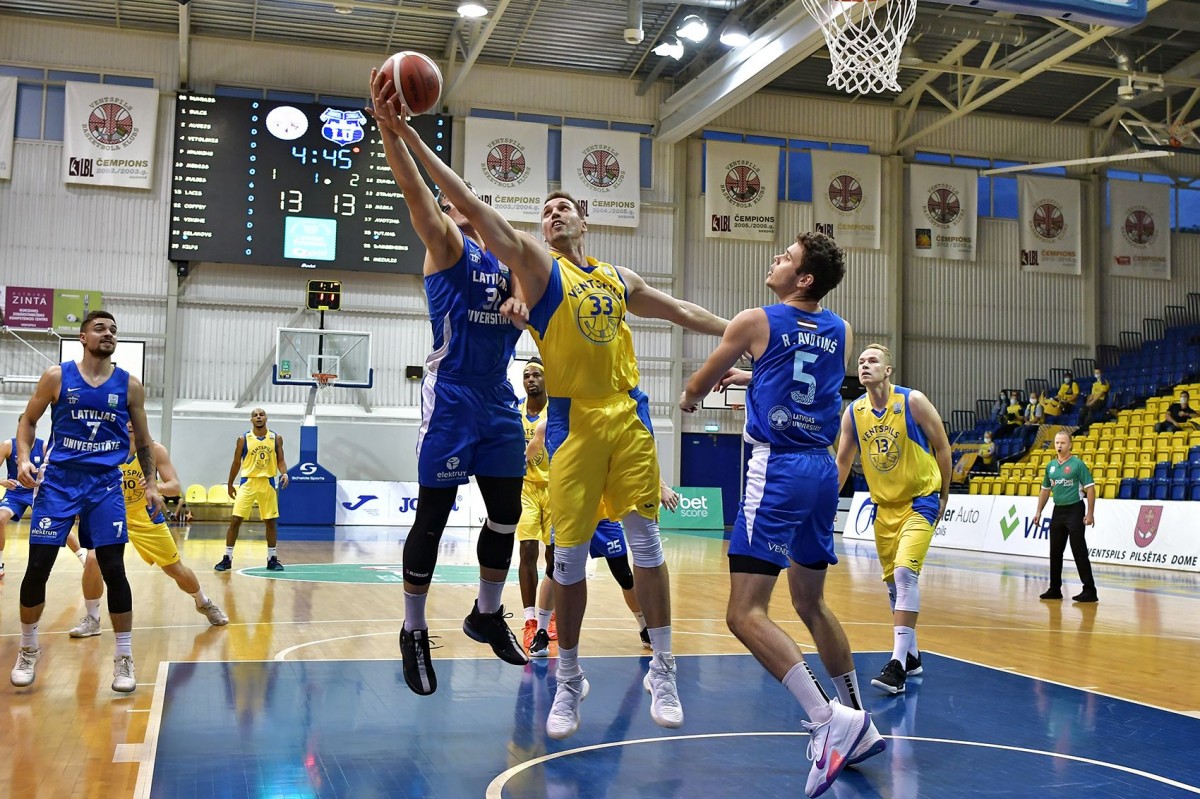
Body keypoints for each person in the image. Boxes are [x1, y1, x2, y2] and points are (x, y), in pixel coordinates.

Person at [372, 81, 728, 739]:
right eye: (546, 209)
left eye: (564, 206)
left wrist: (743, 334)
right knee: (546, 551)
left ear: (584, 220)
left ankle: (654, 665)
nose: (555, 212)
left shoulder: (605, 275)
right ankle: (539, 669)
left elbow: (679, 309)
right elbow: (462, 207)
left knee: (625, 539)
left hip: (608, 412)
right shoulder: (511, 260)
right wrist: (404, 133)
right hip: (536, 413)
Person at [681, 232, 883, 799]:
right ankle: (857, 717)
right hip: (822, 470)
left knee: (743, 613)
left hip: (777, 468)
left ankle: (827, 720)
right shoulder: (840, 330)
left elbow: (699, 381)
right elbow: (807, 380)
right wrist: (754, 377)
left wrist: (691, 397)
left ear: (804, 279)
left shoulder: (753, 321)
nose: (776, 260)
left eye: (786, 257)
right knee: (810, 603)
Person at [369, 73, 530, 698]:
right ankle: (412, 628)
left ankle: (485, 614)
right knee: (433, 516)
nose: (461, 207)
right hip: (453, 395)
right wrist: (392, 131)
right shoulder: (445, 245)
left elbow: (544, 291)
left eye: (470, 203)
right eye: (455, 203)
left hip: (498, 398)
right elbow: (416, 192)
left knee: (507, 514)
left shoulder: (512, 263)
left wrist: (522, 302)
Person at [11, 310, 162, 693]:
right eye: (99, 328)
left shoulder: (129, 385)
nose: (108, 333)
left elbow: (144, 442)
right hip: (58, 482)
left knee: (114, 568)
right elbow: (27, 421)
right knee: (38, 567)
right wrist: (25, 458)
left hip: (105, 485)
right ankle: (28, 648)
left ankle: (123, 657)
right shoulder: (57, 376)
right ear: (82, 337)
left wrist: (151, 484)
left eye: (113, 330)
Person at [835, 344, 952, 696]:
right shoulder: (853, 412)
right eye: (861, 361)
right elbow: (843, 462)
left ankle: (897, 664)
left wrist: (944, 495)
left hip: (920, 501)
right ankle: (912, 656)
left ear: (888, 370)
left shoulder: (912, 401)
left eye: (872, 360)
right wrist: (827, 501)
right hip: (884, 508)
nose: (865, 365)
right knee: (892, 586)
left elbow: (943, 447)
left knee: (904, 574)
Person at [69, 423, 228, 639]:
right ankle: (92, 618)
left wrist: (156, 486)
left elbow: (174, 486)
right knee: (92, 559)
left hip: (146, 516)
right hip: (111, 513)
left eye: (133, 418)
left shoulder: (155, 450)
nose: (129, 423)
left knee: (175, 569)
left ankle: (203, 602)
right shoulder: (105, 446)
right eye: (125, 418)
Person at [214, 408, 290, 572]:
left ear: (266, 418)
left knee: (270, 521)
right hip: (248, 482)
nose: (258, 417)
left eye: (261, 414)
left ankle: (272, 558)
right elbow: (236, 463)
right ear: (251, 420)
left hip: (267, 482)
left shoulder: (276, 438)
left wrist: (284, 473)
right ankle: (227, 557)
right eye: (255, 415)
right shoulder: (243, 439)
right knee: (236, 519)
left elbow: (281, 460)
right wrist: (230, 484)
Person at [516, 358, 557, 653]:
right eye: (527, 375)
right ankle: (530, 619)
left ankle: (549, 615)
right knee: (527, 551)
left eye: (537, 375)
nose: (531, 379)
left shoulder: (557, 410)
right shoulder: (515, 410)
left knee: (555, 556)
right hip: (526, 489)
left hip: (556, 488)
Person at [1034, 430, 1097, 602]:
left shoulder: (1078, 464)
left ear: (1070, 445)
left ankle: (1090, 590)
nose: (1059, 446)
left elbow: (1090, 488)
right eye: (1057, 443)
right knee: (1055, 551)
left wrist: (1090, 513)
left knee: (1079, 550)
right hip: (1058, 511)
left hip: (1075, 509)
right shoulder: (1050, 466)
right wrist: (1039, 511)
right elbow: (1045, 490)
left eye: (1062, 443)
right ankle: (1055, 588)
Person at [1, 422, 48, 580]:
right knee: (0, 519)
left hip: (37, 492)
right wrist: (2, 481)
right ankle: (0, 563)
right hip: (15, 493)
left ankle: (83, 558)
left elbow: (54, 471)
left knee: (53, 524)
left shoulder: (43, 446)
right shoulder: (8, 445)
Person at [1076, 368, 1110, 433]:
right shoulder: (1094, 384)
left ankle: (1086, 427)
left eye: (1098, 373)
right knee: (1083, 409)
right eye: (1095, 373)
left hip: (1101, 400)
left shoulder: (1104, 382)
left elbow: (1100, 394)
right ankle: (1079, 426)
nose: (1096, 374)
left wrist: (1092, 402)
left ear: (1101, 374)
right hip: (1094, 400)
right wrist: (1088, 402)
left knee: (1091, 409)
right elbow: (1092, 394)